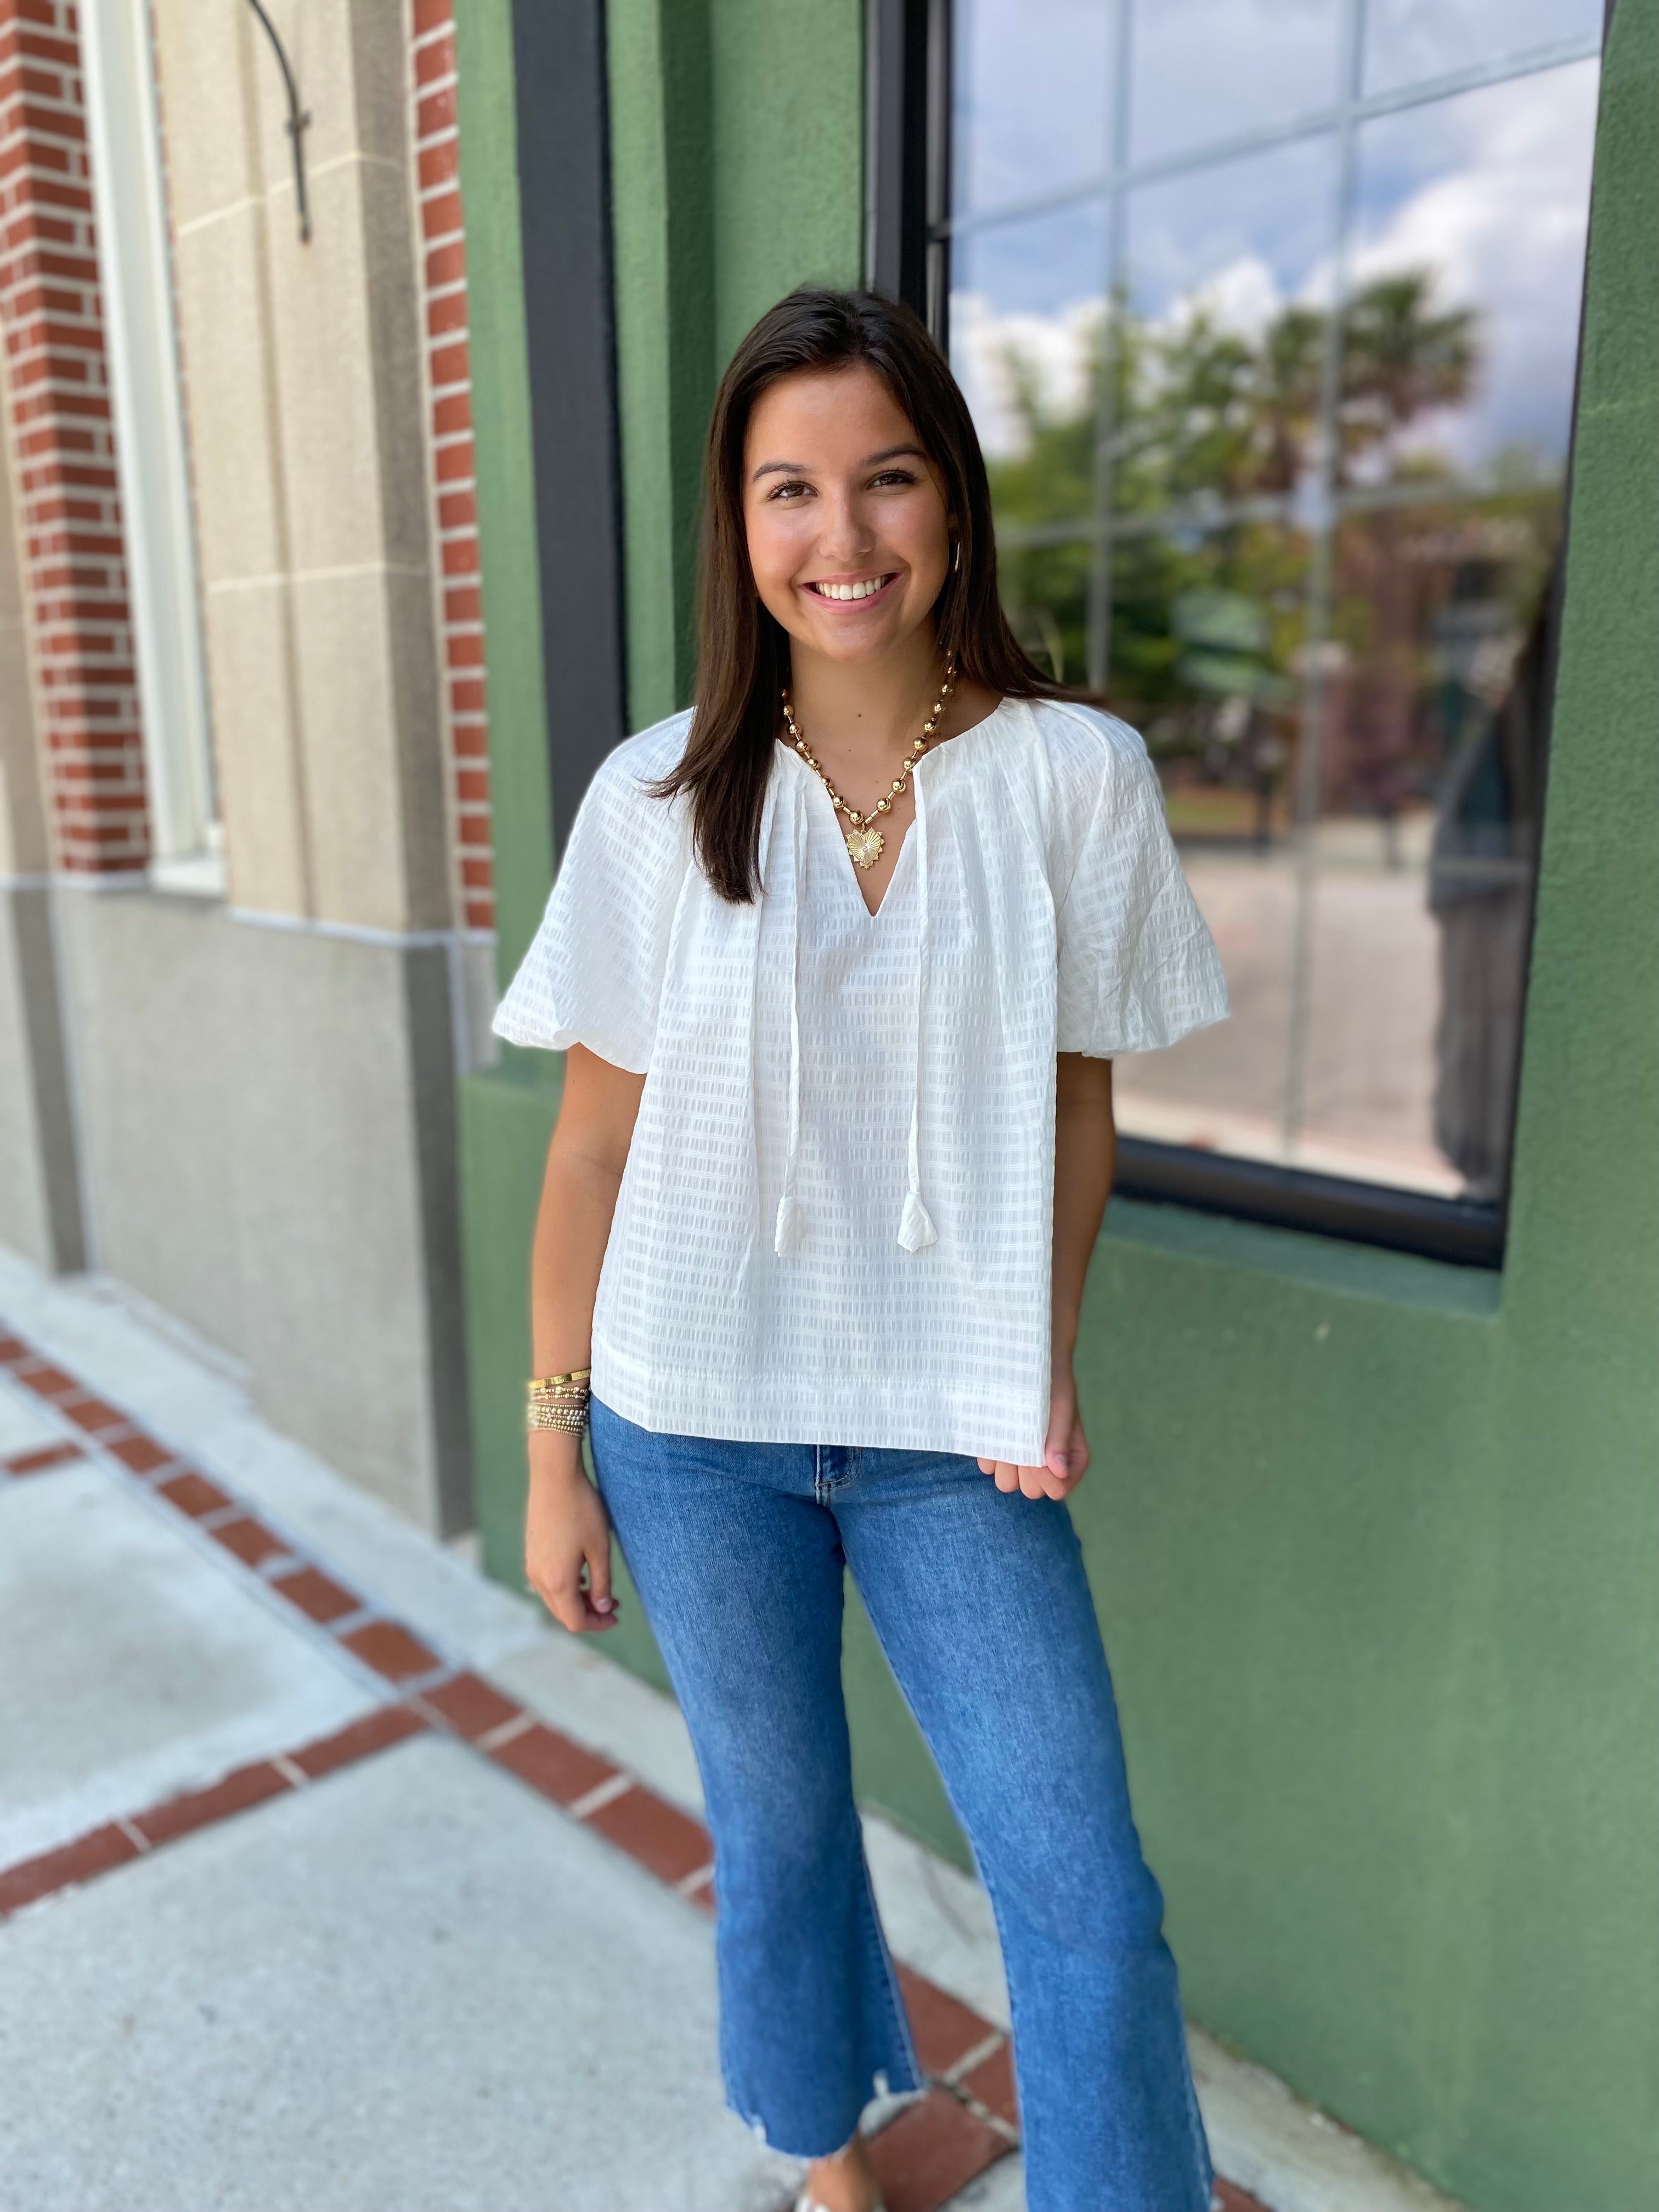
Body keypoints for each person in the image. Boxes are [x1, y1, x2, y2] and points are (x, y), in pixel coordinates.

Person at [494, 287, 1230, 2212]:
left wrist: (1038, 1354)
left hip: (948, 1437)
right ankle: (826, 2165)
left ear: (956, 506)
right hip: (685, 1419)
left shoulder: (1078, 778)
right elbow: (590, 1151)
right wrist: (554, 1446)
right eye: (789, 490)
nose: (844, 538)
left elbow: (1078, 1112)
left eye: (887, 480)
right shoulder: (658, 803)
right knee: (784, 1830)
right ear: (742, 531)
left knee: (1080, 1887)